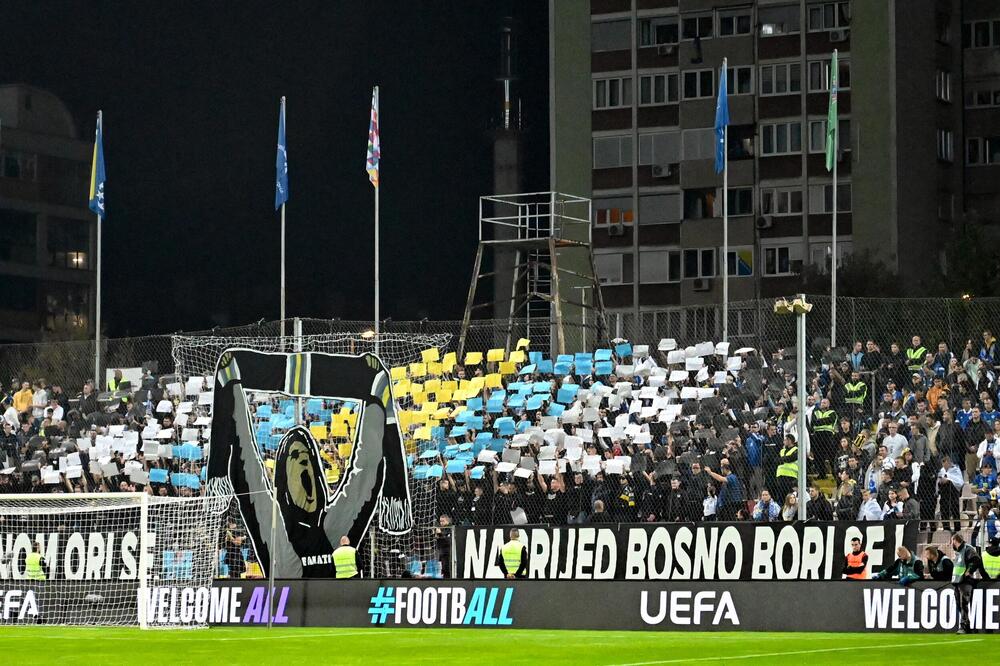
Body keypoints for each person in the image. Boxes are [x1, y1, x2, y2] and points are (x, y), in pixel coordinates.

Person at [951, 532, 991, 634]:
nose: (951, 543)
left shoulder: (967, 549)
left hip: (965, 581)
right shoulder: (959, 551)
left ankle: (964, 627)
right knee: (960, 604)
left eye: (952, 541)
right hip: (958, 581)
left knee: (963, 603)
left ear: (955, 540)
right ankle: (966, 625)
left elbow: (977, 560)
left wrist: (970, 571)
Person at [775, 434, 799, 502]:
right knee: (781, 497)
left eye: (785, 440)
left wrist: (782, 459)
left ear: (789, 440)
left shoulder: (796, 450)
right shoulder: (782, 450)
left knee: (789, 496)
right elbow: (776, 460)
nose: (783, 442)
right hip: (780, 476)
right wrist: (784, 459)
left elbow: (791, 458)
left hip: (791, 476)